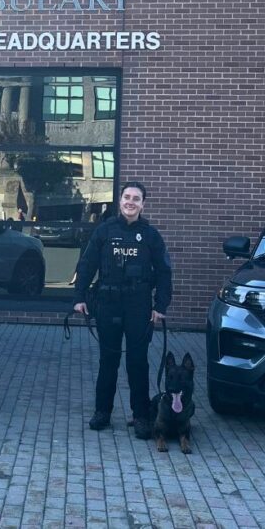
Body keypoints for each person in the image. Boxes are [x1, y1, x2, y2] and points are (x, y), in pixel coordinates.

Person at [72, 181, 172, 439]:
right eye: (127, 197)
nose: (130, 202)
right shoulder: (104, 231)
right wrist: (79, 296)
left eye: (136, 198)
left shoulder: (150, 236)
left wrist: (160, 306)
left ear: (143, 204)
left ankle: (140, 416)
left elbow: (163, 272)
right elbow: (87, 264)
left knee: (137, 363)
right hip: (108, 304)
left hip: (139, 306)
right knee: (108, 361)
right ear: (120, 200)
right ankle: (102, 413)